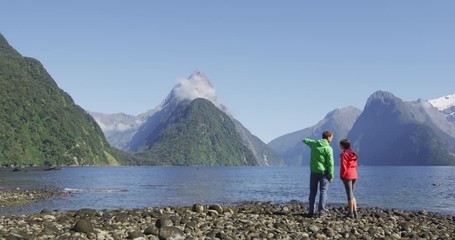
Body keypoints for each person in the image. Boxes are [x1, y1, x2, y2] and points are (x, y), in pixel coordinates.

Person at [302, 130, 334, 217]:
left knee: (312, 192)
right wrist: (331, 175)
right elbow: (330, 163)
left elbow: (306, 140)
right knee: (323, 192)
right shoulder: (328, 149)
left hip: (313, 172)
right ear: (328, 137)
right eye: (331, 137)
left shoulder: (314, 144)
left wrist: (304, 139)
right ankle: (321, 212)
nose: (332, 138)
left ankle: (311, 211)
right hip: (324, 173)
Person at [339, 138, 358, 218]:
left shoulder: (344, 154)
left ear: (343, 146)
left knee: (349, 195)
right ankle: (355, 212)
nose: (339, 146)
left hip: (347, 175)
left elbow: (344, 166)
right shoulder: (353, 154)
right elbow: (355, 165)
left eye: (340, 145)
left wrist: (342, 175)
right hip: (354, 174)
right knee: (352, 194)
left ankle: (350, 213)